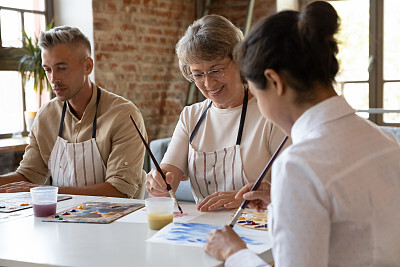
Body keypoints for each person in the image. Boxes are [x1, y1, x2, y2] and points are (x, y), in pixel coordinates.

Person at [204, 1, 400, 266]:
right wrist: (282, 202)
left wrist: (234, 253)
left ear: (275, 82)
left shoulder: (299, 165)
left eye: (257, 94)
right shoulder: (386, 141)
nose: (260, 106)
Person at [146, 15, 289, 211]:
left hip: (256, 230)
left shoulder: (269, 114)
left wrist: (249, 200)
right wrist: (159, 183)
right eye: (198, 74)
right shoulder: (191, 116)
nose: (208, 83)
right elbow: (169, 175)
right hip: (201, 230)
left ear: (239, 61)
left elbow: (296, 189)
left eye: (216, 70)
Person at [0, 26, 147, 198]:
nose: (53, 79)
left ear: (88, 66)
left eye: (62, 68)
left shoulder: (124, 115)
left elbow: (119, 191)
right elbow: (28, 175)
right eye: (47, 69)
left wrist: (46, 192)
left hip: (117, 222)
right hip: (61, 220)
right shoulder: (46, 116)